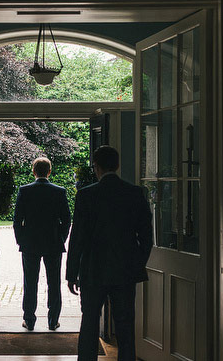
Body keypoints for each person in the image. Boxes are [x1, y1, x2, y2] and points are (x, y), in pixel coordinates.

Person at [66, 145, 153, 361]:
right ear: (117, 165)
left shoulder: (86, 196)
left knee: (89, 324)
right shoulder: (135, 193)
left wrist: (71, 273)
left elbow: (77, 238)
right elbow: (147, 238)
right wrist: (136, 262)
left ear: (96, 167)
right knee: (125, 327)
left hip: (93, 270)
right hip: (124, 271)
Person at [13, 156, 71, 331]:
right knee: (54, 283)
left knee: (30, 282)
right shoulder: (59, 191)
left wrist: (21, 241)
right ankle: (53, 321)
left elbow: (17, 221)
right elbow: (67, 220)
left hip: (30, 243)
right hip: (53, 243)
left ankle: (29, 320)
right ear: (50, 171)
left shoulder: (25, 190)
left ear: (33, 171)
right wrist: (60, 238)